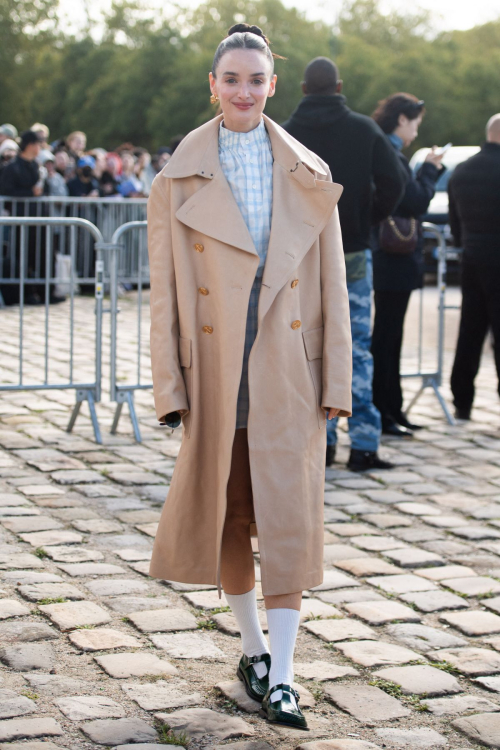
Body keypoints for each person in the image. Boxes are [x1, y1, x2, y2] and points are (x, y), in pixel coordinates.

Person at [147, 24, 351, 730]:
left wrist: (336, 383)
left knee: (289, 522)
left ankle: (287, 676)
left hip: (289, 368)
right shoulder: (176, 175)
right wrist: (169, 385)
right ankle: (255, 650)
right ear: (213, 85)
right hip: (219, 370)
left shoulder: (310, 171)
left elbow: (330, 285)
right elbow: (167, 289)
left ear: (273, 85)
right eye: (231, 78)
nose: (243, 91)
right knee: (232, 516)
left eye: (255, 79)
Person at [282, 57, 406, 471]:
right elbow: (396, 182)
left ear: (302, 89)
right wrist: (365, 219)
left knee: (309, 348)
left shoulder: (283, 133)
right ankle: (365, 444)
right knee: (356, 348)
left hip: (301, 251)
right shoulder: (363, 128)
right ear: (339, 87)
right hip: (351, 248)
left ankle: (324, 442)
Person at [371, 94, 444, 436]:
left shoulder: (385, 151)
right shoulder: (388, 152)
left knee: (389, 336)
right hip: (392, 260)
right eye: (415, 122)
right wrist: (430, 169)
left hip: (388, 259)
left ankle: (390, 409)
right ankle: (385, 411)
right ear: (402, 119)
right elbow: (414, 199)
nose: (416, 129)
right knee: (387, 337)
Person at [448, 114, 500, 420]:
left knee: (470, 330)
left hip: (471, 258)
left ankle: (462, 400)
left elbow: (455, 223)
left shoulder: (462, 170)